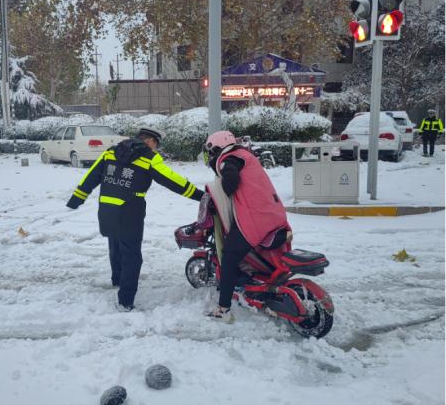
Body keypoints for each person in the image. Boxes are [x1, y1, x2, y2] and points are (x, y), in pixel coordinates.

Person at [66, 127, 203, 311]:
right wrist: (200, 196)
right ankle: (125, 300)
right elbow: (173, 181)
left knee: (115, 244)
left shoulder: (111, 152)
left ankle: (117, 279)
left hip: (107, 210)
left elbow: (91, 176)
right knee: (132, 256)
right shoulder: (149, 159)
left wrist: (77, 199)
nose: (155, 149)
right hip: (130, 212)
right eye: (155, 145)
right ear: (151, 142)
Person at [202, 131, 289, 322]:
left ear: (216, 148)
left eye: (211, 152)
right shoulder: (246, 156)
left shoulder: (229, 159)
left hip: (256, 220)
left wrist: (223, 180)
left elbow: (230, 183)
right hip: (274, 215)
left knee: (229, 259)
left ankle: (223, 308)